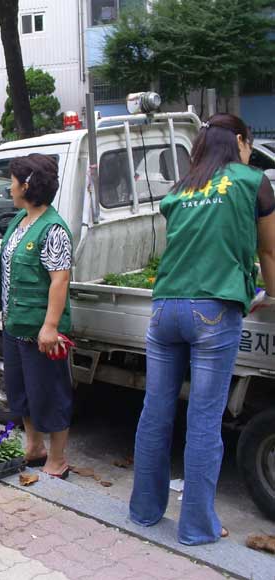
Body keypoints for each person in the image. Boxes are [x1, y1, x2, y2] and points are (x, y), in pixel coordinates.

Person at [129, 113, 275, 546]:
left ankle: (143, 511)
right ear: (242, 142)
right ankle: (197, 526)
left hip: (165, 308)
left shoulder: (181, 189)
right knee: (205, 422)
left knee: (155, 413)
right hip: (213, 310)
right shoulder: (253, 182)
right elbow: (268, 248)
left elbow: (190, 245)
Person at [0, 154, 74, 479]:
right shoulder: (21, 220)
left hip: (42, 331)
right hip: (15, 325)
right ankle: (34, 446)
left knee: (50, 394)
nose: (9, 187)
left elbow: (60, 278)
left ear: (26, 185)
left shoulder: (52, 228)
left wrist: (51, 327)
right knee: (22, 391)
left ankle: (57, 459)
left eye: (12, 181)